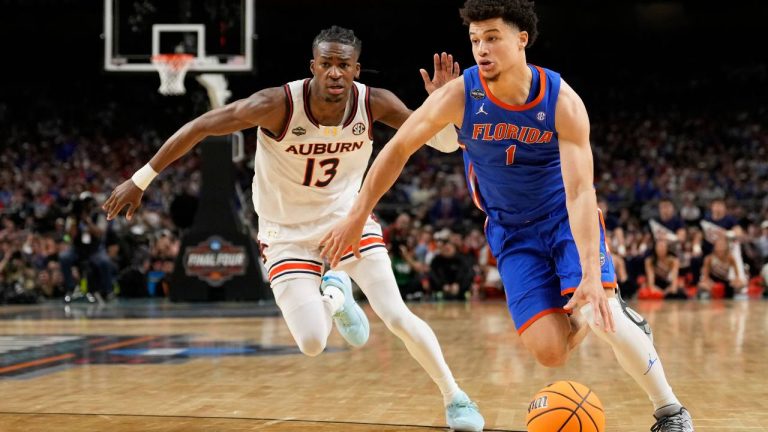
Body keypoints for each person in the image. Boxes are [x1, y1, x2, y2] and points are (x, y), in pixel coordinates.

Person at [320, 2, 693, 430]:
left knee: (597, 312)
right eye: (475, 39)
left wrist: (591, 273)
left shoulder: (562, 101)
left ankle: (670, 410)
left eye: (492, 37)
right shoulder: (461, 95)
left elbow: (579, 192)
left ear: (521, 40)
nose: (481, 48)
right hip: (511, 231)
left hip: (563, 219)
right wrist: (357, 214)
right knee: (551, 352)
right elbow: (399, 148)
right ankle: (610, 309)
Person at [102, 26, 483, 431]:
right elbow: (201, 126)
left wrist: (442, 104)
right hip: (286, 234)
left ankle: (455, 396)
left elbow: (444, 144)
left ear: (356, 69)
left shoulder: (375, 103)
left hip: (347, 221)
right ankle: (337, 297)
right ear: (313, 66)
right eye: (327, 64)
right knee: (312, 342)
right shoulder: (276, 105)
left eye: (344, 65)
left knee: (397, 314)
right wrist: (140, 179)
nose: (335, 73)